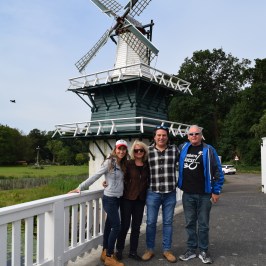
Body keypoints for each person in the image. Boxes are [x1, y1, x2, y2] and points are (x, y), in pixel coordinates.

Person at [68, 139, 129, 266]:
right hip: (110, 198)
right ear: (115, 149)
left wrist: (107, 182)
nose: (121, 151)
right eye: (119, 148)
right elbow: (95, 175)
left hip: (118, 198)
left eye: (124, 149)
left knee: (108, 225)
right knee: (116, 226)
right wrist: (80, 187)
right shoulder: (109, 162)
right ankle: (109, 256)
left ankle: (104, 251)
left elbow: (121, 180)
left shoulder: (124, 163)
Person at [178, 125, 224, 264]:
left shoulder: (209, 150)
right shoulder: (182, 148)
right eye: (191, 134)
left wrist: (216, 191)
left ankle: (203, 250)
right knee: (189, 223)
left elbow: (218, 171)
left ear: (201, 135)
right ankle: (191, 250)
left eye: (196, 133)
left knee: (203, 224)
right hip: (187, 194)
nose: (194, 136)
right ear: (187, 136)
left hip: (204, 194)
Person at [142, 125, 179, 263]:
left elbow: (184, 165)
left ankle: (167, 250)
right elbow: (136, 165)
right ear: (154, 137)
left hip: (170, 192)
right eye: (159, 135)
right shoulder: (148, 151)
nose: (161, 137)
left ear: (167, 137)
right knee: (151, 222)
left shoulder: (175, 150)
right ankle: (149, 249)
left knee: (168, 222)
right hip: (153, 192)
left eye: (164, 135)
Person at [115, 140, 150, 261]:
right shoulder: (128, 164)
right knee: (124, 226)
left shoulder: (147, 165)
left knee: (136, 227)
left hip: (140, 200)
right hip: (127, 198)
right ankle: (119, 250)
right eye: (136, 150)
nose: (139, 152)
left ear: (144, 152)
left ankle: (133, 252)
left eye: (141, 150)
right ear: (133, 152)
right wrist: (107, 182)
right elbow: (117, 176)